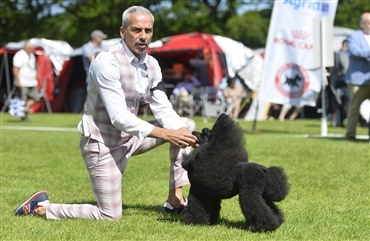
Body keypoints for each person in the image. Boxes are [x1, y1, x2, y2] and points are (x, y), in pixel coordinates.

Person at [14, 6, 198, 220]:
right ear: (122, 31)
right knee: (110, 215)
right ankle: (43, 207)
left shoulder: (152, 65)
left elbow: (163, 107)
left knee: (185, 125)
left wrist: (181, 132)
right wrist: (167, 134)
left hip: (130, 139)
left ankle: (175, 199)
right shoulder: (106, 61)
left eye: (148, 31)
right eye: (136, 30)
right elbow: (119, 117)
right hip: (101, 145)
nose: (143, 37)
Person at [344, 12, 370, 141]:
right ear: (362, 24)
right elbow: (355, 52)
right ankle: (350, 134)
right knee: (355, 107)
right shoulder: (353, 36)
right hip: (357, 80)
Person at [12, 40, 40, 122]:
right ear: (25, 47)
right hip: (23, 82)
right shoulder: (19, 55)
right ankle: (24, 116)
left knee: (36, 98)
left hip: (32, 82)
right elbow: (15, 68)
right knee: (23, 100)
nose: (32, 49)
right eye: (30, 48)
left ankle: (25, 110)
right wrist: (18, 81)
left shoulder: (31, 55)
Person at [81, 30, 108, 111]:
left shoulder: (101, 48)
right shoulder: (87, 47)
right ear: (96, 38)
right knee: (90, 97)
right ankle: (87, 115)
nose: (102, 39)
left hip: (102, 77)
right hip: (91, 76)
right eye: (101, 38)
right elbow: (91, 59)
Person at [331, 40, 350, 127]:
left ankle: (339, 122)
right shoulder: (341, 54)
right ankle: (341, 122)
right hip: (343, 81)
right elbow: (344, 68)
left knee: (340, 102)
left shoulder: (339, 54)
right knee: (345, 102)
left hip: (340, 81)